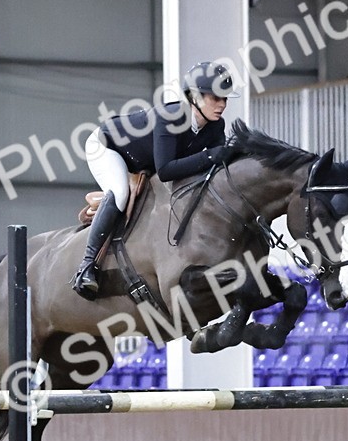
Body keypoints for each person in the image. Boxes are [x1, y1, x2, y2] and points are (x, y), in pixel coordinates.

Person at [71, 61, 240, 299]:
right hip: (109, 147)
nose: (222, 105)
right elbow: (166, 170)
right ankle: (87, 267)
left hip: (144, 159)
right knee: (120, 193)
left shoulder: (215, 126)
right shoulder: (171, 117)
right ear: (194, 97)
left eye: (225, 99)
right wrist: (211, 155)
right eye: (216, 98)